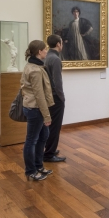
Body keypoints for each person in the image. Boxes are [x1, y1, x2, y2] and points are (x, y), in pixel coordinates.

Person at [21, 40, 55, 181]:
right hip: (35, 109)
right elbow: (39, 95)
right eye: (45, 50)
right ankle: (31, 171)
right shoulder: (35, 70)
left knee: (43, 137)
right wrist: (47, 116)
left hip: (35, 108)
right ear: (39, 52)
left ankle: (38, 166)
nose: (46, 52)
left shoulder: (34, 65)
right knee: (32, 140)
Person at [43, 35, 66, 163]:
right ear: (58, 44)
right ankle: (49, 154)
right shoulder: (55, 59)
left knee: (49, 125)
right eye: (61, 42)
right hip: (55, 97)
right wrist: (62, 98)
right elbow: (58, 82)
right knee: (55, 126)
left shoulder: (47, 56)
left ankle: (48, 149)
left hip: (48, 96)